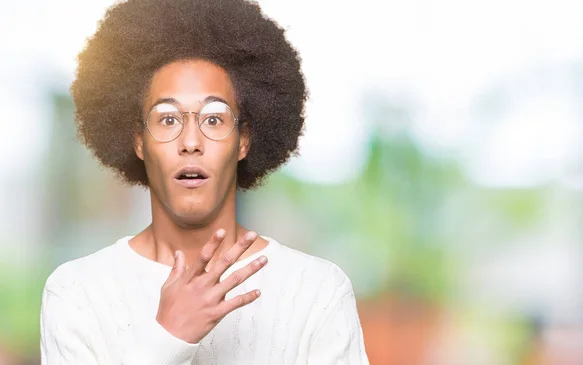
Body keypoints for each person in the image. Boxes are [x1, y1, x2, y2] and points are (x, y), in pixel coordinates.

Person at [39, 0, 370, 364]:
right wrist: (169, 337)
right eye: (167, 119)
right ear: (138, 141)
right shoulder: (75, 293)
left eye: (214, 119)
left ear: (243, 140)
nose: (191, 141)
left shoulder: (317, 293)